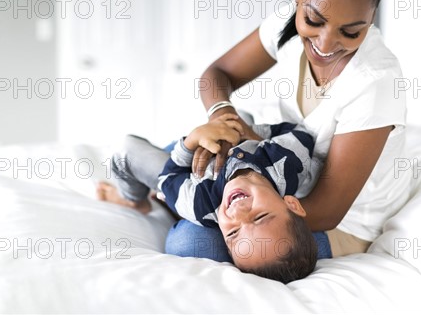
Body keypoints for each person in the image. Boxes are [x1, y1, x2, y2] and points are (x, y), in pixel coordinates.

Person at [167, 0, 409, 259]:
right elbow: (217, 74)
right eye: (314, 20)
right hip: (280, 167)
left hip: (336, 223)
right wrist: (224, 119)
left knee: (190, 244)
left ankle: (165, 197)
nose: (325, 44)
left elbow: (327, 210)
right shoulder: (285, 23)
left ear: (372, 16)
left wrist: (231, 196)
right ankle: (153, 188)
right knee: (195, 146)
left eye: (351, 32)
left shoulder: (376, 82)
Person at [97, 114, 320, 283]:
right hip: (241, 138)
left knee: (126, 151)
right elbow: (301, 134)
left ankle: (135, 200)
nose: (238, 212)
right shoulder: (288, 164)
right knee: (239, 114)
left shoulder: (200, 205)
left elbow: (169, 176)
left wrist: (190, 143)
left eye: (232, 232)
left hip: (189, 169)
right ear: (291, 203)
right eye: (260, 217)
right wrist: (245, 133)